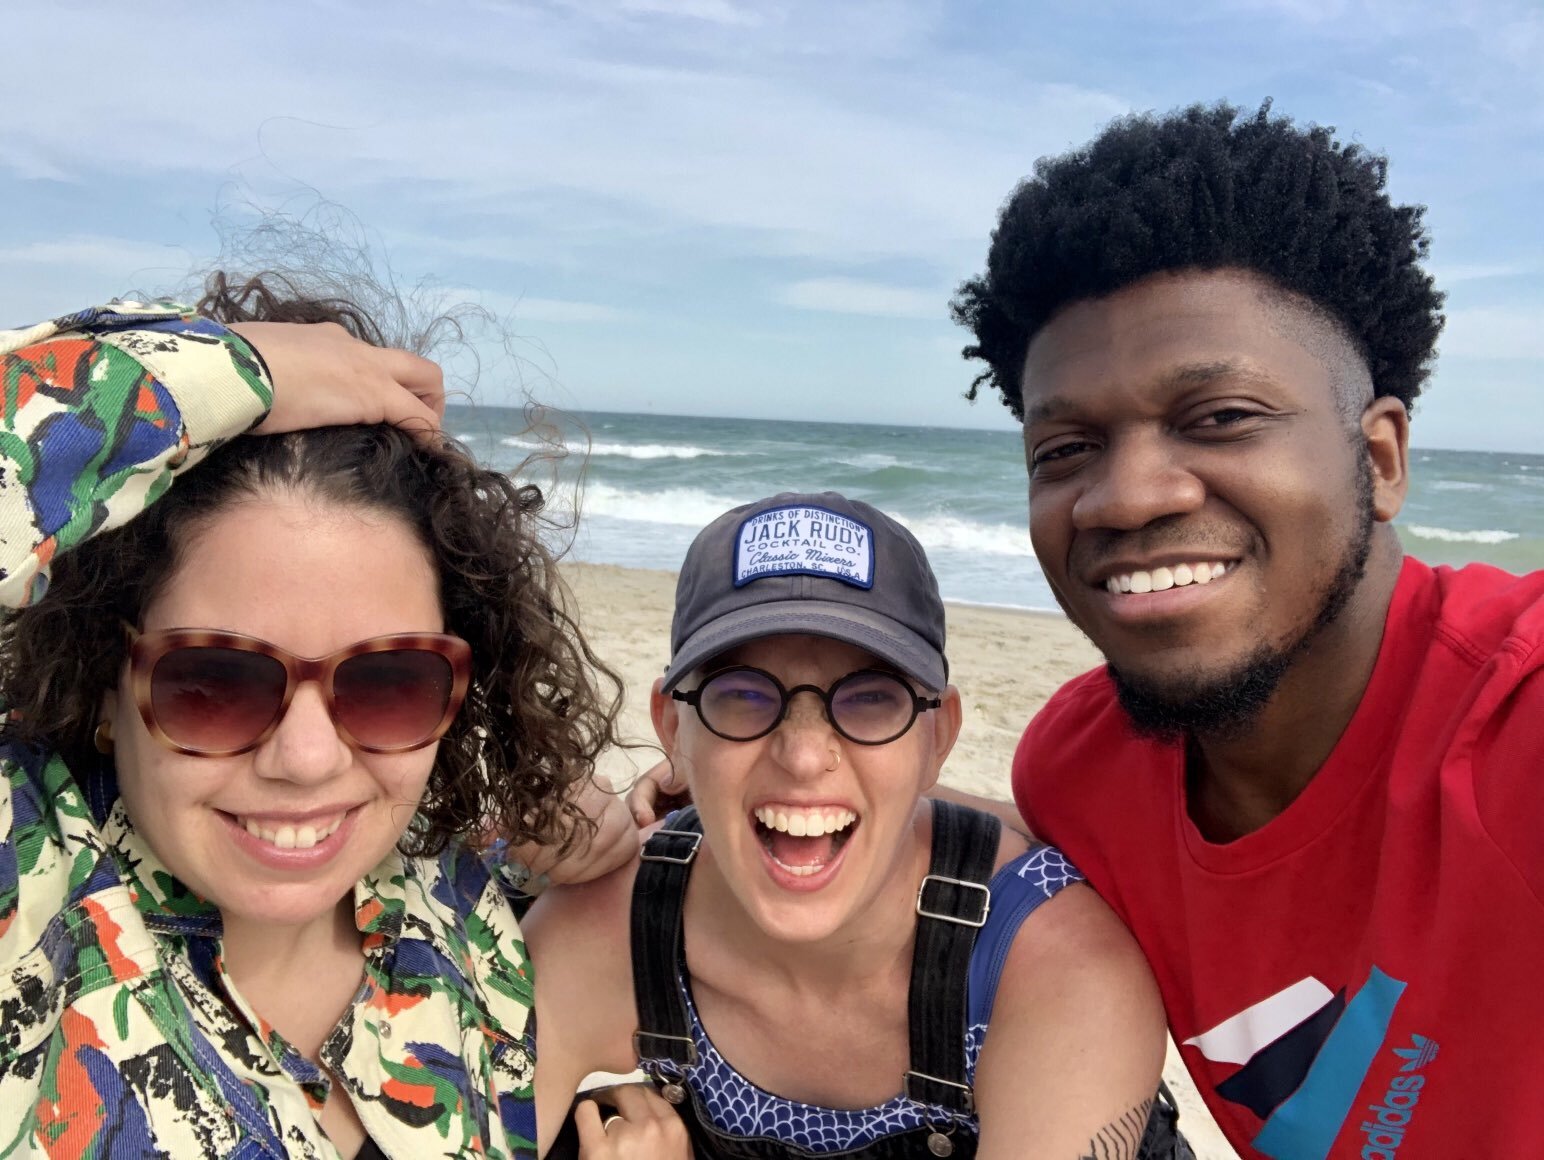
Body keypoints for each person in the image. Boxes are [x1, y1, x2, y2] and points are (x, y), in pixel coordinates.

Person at [935, 101, 1544, 1157]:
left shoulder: (1513, 723)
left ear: (1380, 457)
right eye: (1064, 447)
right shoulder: (1079, 770)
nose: (1124, 498)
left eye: (1217, 417)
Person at [0, 279, 666, 1159]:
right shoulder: (31, 890)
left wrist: (561, 821)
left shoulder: (455, 909)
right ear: (107, 681)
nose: (309, 759)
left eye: (389, 683)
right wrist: (241, 372)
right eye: (215, 681)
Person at [524, 491, 1184, 1160]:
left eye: (871, 701)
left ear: (937, 738)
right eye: (744, 696)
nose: (805, 757)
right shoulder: (611, 929)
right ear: (673, 726)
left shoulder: (1045, 967)